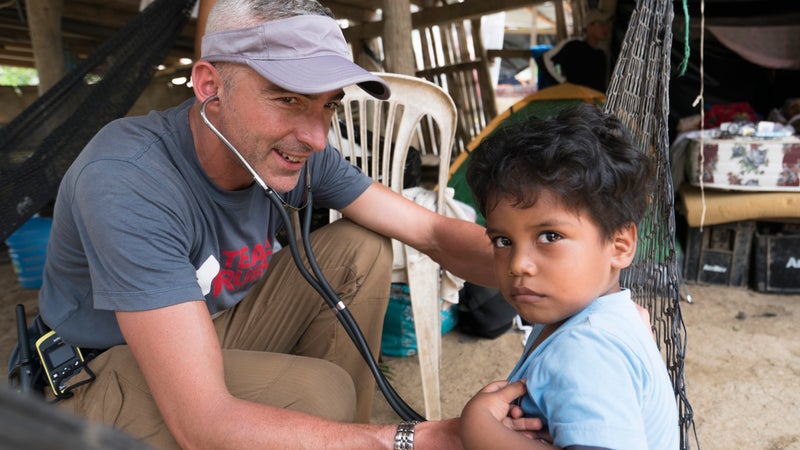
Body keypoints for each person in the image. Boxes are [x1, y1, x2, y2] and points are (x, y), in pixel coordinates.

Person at [36, 1, 548, 449]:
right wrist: (421, 439)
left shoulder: (294, 150)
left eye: (328, 106)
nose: (317, 136)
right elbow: (203, 423)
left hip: (212, 327)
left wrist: (562, 275)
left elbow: (432, 233)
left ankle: (344, 432)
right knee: (314, 393)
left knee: (361, 245)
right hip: (101, 372)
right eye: (288, 98)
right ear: (210, 85)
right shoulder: (129, 180)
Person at [459, 104, 680, 449]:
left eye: (550, 236)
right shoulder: (603, 318)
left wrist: (479, 430)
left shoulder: (586, 348)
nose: (518, 264)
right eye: (503, 241)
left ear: (620, 246)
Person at [542, 9, 613, 92]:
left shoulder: (600, 55)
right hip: (574, 101)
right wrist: (563, 82)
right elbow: (545, 59)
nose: (606, 28)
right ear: (589, 26)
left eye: (607, 24)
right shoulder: (573, 46)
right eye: (601, 24)